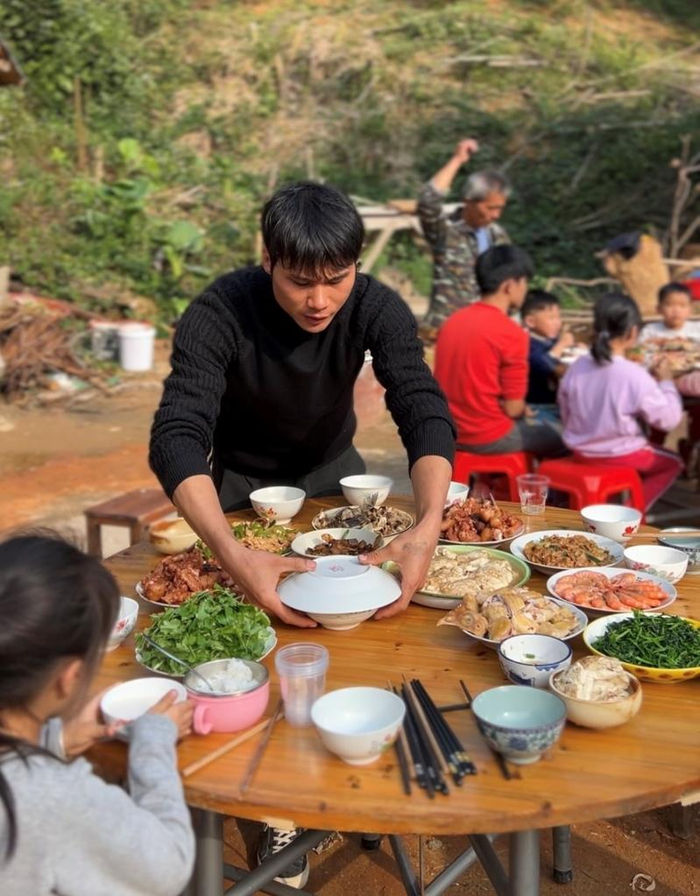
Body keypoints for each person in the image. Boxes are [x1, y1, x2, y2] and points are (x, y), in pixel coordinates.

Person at [149, 182, 455, 631]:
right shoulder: (219, 313)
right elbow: (177, 435)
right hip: (241, 485)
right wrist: (230, 553)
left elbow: (422, 407)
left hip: (333, 473)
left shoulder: (375, 306)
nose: (319, 302)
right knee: (247, 614)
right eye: (299, 282)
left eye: (337, 279)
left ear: (356, 263)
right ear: (268, 260)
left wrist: (428, 526)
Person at [0, 533, 195, 895]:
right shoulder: (51, 798)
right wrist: (153, 741)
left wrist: (56, 741)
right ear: (69, 678)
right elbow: (168, 865)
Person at [434, 245, 565, 459]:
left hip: (445, 430)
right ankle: (537, 481)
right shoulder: (512, 333)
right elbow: (513, 410)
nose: (526, 289)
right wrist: (521, 409)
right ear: (510, 286)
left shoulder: (452, 321)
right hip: (485, 436)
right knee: (567, 436)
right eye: (524, 282)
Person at [559, 294, 684, 511]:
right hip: (622, 454)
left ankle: (618, 504)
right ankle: (630, 512)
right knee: (674, 463)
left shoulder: (577, 366)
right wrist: (666, 382)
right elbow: (669, 421)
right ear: (633, 332)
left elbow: (565, 411)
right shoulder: (633, 374)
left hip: (581, 451)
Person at [417, 138, 511, 336]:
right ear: (469, 201)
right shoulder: (446, 232)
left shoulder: (497, 236)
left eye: (500, 208)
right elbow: (428, 201)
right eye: (490, 208)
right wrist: (457, 160)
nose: (496, 215)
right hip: (446, 330)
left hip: (484, 330)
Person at [521, 289, 576, 425]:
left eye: (558, 317)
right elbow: (546, 364)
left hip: (555, 404)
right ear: (530, 321)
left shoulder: (551, 341)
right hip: (537, 407)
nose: (557, 323)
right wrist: (562, 345)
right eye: (551, 318)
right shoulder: (528, 344)